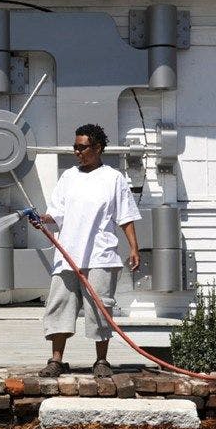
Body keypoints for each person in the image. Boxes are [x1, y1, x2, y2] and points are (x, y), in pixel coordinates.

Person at [30, 123, 142, 378]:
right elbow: (56, 213)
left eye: (82, 147)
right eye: (75, 147)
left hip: (100, 255)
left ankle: (101, 361)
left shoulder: (114, 178)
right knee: (59, 306)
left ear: (98, 148)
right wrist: (42, 219)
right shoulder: (68, 177)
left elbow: (125, 217)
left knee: (100, 308)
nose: (77, 152)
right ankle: (56, 360)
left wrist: (134, 248)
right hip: (67, 255)